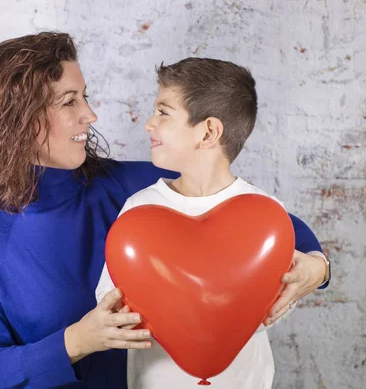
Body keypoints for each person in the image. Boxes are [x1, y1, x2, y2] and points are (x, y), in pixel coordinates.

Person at [0, 32, 330, 388]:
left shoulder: (130, 185)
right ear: (21, 119)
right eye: (70, 101)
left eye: (85, 96)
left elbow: (262, 219)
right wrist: (77, 341)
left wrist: (319, 265)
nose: (91, 115)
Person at [95, 57, 329, 388]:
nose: (149, 123)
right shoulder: (139, 209)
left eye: (163, 112)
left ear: (208, 132)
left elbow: (272, 308)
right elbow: (110, 298)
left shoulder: (265, 214)